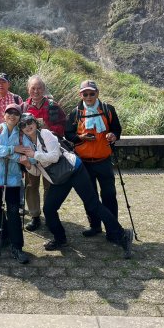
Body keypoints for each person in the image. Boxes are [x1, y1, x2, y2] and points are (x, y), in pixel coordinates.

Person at [15, 113, 133, 259]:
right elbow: (37, 171)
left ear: (35, 122)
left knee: (93, 204)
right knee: (49, 209)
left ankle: (122, 234)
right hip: (59, 179)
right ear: (20, 129)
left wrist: (34, 154)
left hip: (74, 170)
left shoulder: (45, 133)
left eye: (29, 122)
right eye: (23, 125)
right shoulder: (26, 144)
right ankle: (60, 239)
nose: (27, 126)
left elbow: (54, 156)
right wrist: (27, 165)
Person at [65, 80, 121, 240]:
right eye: (85, 94)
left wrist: (113, 135)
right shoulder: (75, 113)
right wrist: (80, 137)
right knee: (90, 196)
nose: (89, 97)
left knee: (109, 195)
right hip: (84, 163)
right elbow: (68, 134)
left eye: (92, 93)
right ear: (80, 94)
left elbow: (117, 129)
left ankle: (112, 230)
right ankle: (95, 226)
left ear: (98, 93)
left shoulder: (108, 110)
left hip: (103, 160)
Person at [0, 104, 32, 264]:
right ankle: (4, 236)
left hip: (13, 179)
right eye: (9, 112)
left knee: (13, 211)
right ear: (4, 115)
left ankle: (17, 247)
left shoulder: (22, 133)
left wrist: (12, 154)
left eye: (16, 113)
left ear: (19, 117)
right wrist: (12, 150)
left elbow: (27, 156)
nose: (12, 115)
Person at [22, 75, 66, 232]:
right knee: (31, 185)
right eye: (33, 88)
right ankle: (35, 216)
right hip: (31, 154)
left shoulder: (54, 106)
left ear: (44, 89)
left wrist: (49, 128)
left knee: (49, 186)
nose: (36, 91)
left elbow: (63, 128)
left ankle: (49, 215)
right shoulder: (23, 108)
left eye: (39, 88)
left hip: (49, 155)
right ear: (28, 89)